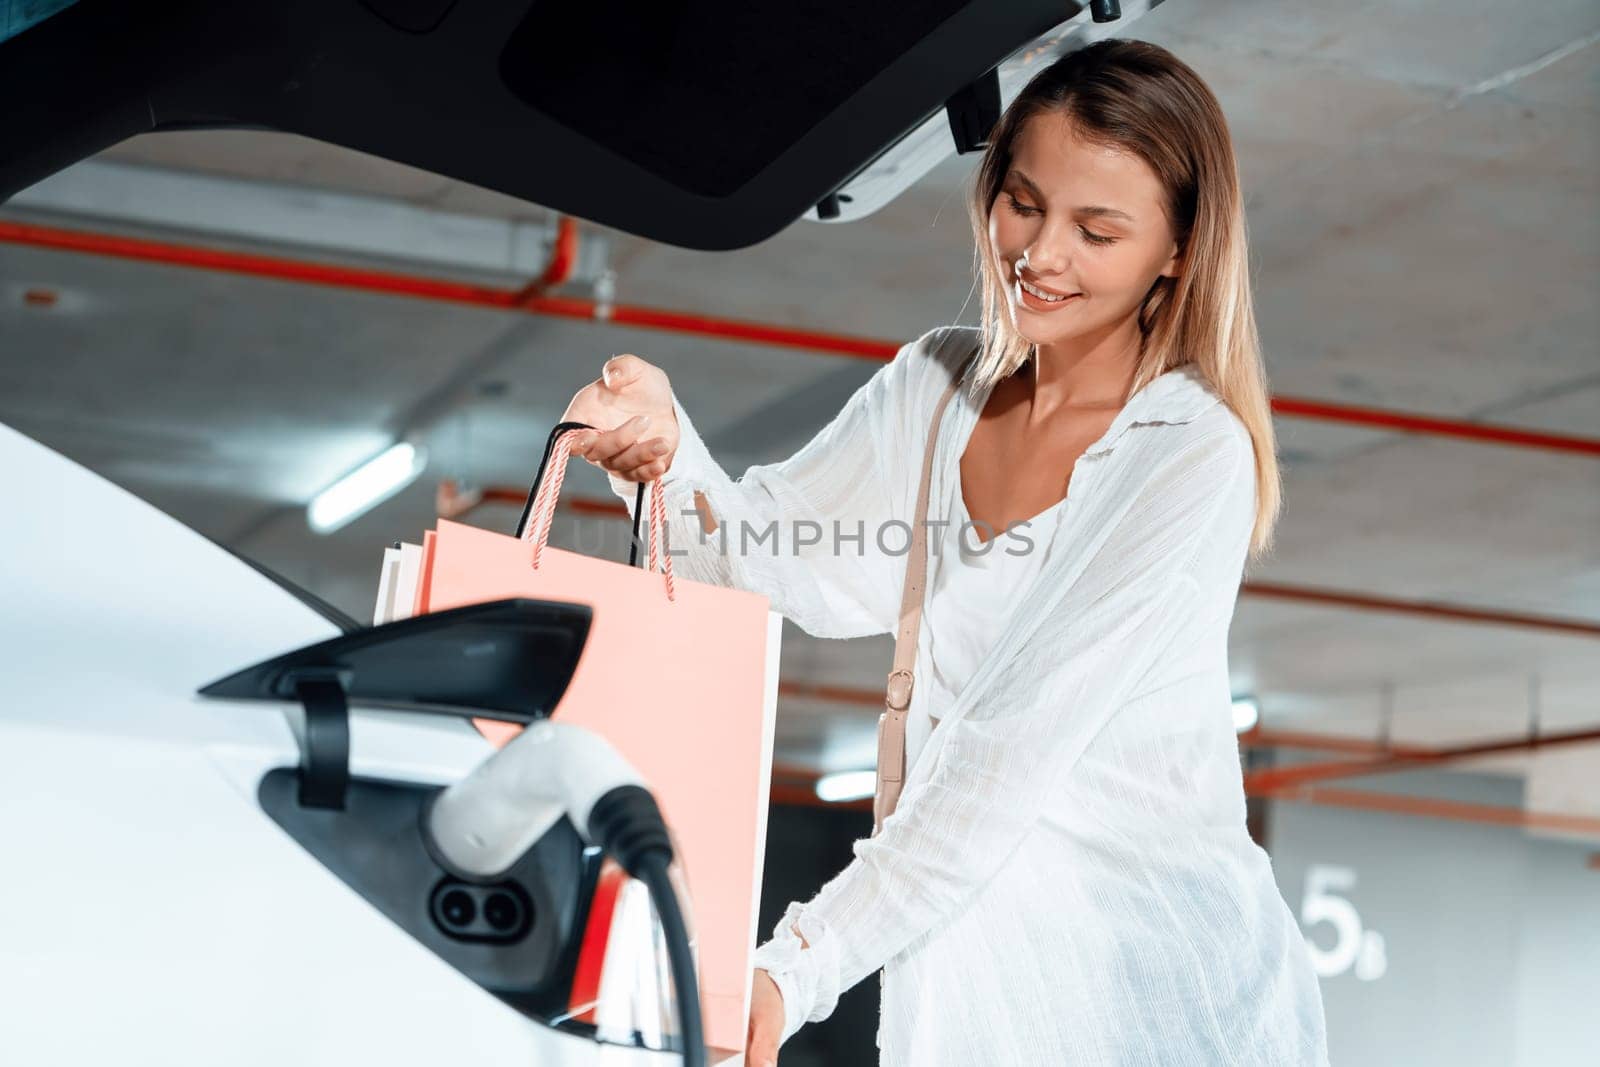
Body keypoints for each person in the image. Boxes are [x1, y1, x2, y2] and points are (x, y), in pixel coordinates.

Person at [562, 37, 1328, 1067]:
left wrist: (798, 962)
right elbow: (757, 565)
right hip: (969, 1000)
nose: (1040, 254)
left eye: (1097, 231)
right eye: (1022, 202)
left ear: (1178, 251)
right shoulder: (935, 388)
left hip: (1161, 1005)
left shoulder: (1188, 454)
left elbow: (1002, 749)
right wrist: (660, 452)